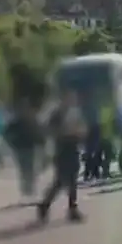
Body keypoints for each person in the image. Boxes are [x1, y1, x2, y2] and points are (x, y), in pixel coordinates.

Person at [37, 90, 86, 223]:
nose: (72, 101)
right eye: (69, 98)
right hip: (62, 150)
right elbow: (50, 130)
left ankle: (72, 209)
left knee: (73, 180)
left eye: (73, 98)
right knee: (60, 181)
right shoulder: (57, 114)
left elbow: (82, 128)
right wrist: (65, 132)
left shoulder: (75, 113)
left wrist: (80, 133)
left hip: (74, 148)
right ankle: (44, 204)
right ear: (63, 99)